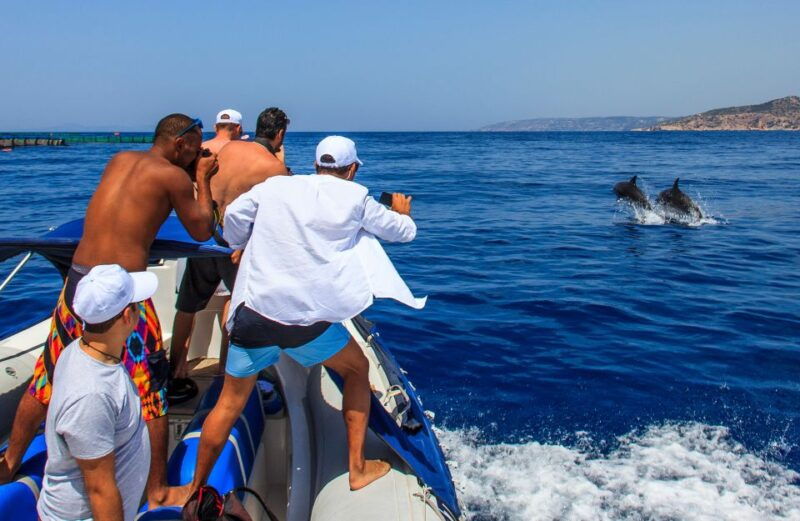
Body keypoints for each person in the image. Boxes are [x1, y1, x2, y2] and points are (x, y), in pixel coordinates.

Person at [175, 136, 423, 500]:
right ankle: (356, 468)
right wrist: (401, 211)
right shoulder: (356, 198)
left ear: (317, 165)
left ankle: (192, 489)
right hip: (305, 325)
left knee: (229, 403)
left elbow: (230, 228)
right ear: (351, 169)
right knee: (356, 370)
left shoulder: (276, 187)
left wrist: (248, 239)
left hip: (255, 317)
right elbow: (405, 234)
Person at [0, 113, 218, 508]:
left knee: (48, 372)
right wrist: (202, 177)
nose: (197, 152)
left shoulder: (119, 160)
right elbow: (202, 229)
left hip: (79, 282)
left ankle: (10, 459)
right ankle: (156, 490)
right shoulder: (172, 177)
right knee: (152, 387)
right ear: (181, 144)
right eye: (196, 146)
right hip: (121, 292)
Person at [169, 107, 291, 381]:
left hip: (206, 239)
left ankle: (175, 368)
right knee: (237, 309)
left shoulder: (229, 150)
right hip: (236, 249)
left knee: (187, 307)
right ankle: (227, 371)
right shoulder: (274, 168)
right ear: (280, 134)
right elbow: (277, 217)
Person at [37, 265, 158, 521]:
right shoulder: (91, 396)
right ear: (128, 316)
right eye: (138, 303)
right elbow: (100, 489)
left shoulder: (80, 351)